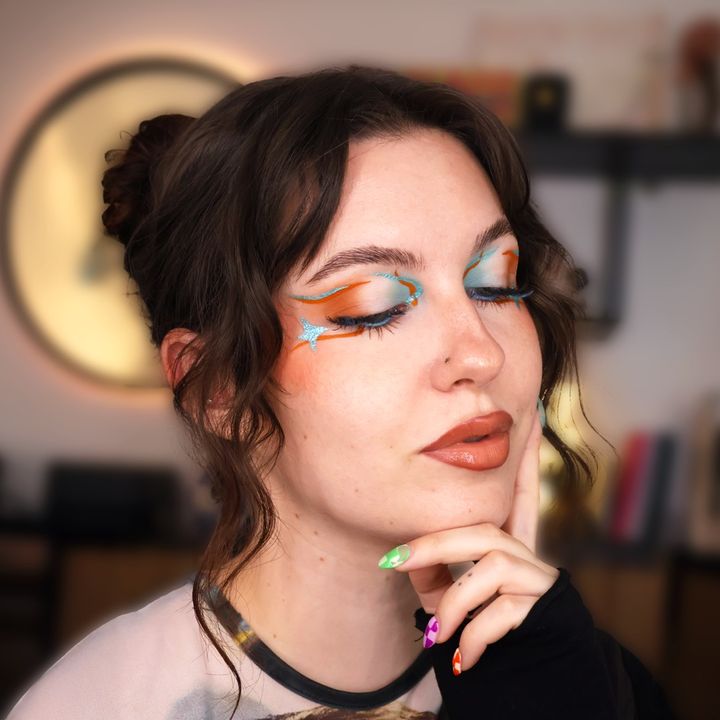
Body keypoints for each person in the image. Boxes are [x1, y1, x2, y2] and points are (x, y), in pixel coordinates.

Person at [4, 64, 678, 720]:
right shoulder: (99, 704)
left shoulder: (587, 684)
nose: (482, 352)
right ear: (217, 386)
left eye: (496, 283)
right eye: (373, 308)